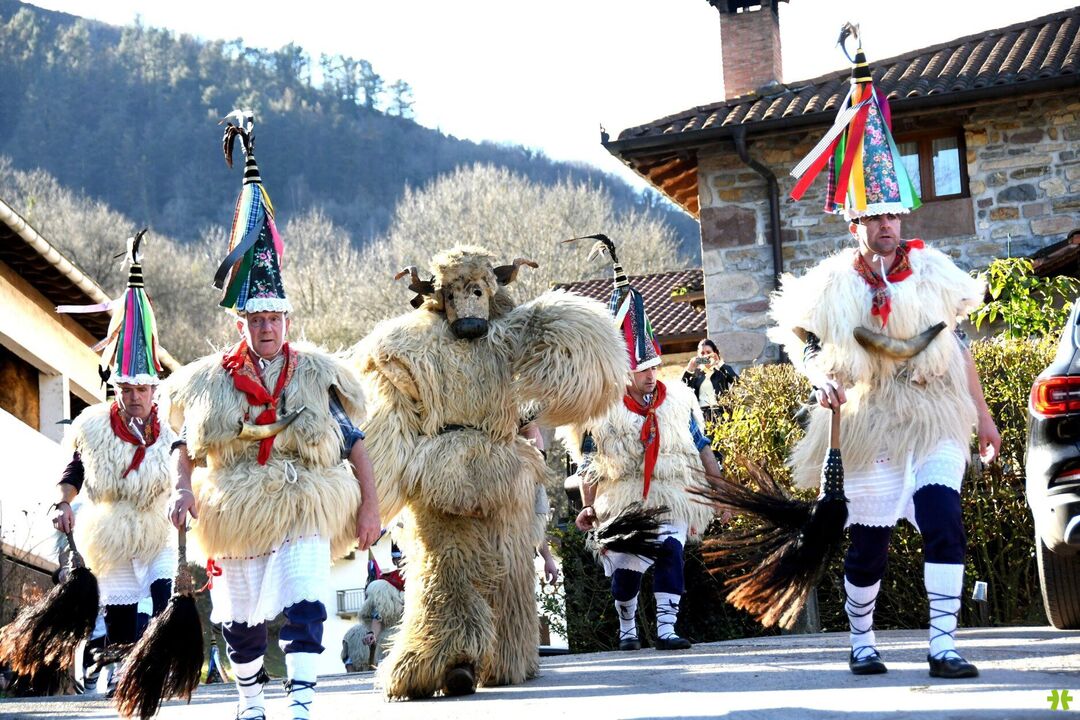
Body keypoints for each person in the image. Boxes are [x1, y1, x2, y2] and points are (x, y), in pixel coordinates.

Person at [775, 32, 1001, 680]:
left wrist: (984, 416)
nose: (887, 226)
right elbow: (800, 337)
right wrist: (817, 375)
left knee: (944, 519)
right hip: (869, 417)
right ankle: (862, 641)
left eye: (894, 214)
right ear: (855, 223)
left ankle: (943, 646)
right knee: (870, 543)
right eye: (875, 217)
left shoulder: (933, 271)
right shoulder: (831, 284)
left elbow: (957, 348)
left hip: (935, 412)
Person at [167, 112, 380, 720]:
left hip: (302, 498)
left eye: (274, 319)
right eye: (256, 320)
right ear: (243, 323)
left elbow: (353, 440)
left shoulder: (314, 372)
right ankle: (251, 702)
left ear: (287, 320)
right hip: (236, 504)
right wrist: (183, 489)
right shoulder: (210, 379)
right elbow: (185, 444)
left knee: (307, 599)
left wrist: (368, 505)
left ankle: (303, 704)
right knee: (242, 623)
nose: (266, 328)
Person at [558, 239, 719, 651]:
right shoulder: (603, 410)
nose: (650, 376)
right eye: (641, 369)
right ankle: (627, 628)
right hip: (624, 499)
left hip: (670, 494)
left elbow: (701, 446)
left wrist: (721, 491)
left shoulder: (679, 400)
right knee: (626, 575)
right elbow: (589, 464)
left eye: (653, 367)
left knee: (670, 553)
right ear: (625, 372)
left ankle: (666, 629)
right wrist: (589, 507)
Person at [51, 233, 176, 687]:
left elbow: (186, 469)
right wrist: (63, 502)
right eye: (127, 389)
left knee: (164, 598)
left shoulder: (170, 430)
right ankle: (125, 670)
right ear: (117, 389)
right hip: (112, 528)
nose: (135, 396)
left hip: (157, 527)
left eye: (142, 388)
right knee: (121, 615)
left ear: (154, 389)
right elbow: (74, 470)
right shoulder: (93, 427)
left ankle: (159, 663)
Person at [681, 338, 738, 424]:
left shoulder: (721, 371)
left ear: (714, 353)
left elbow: (737, 382)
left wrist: (719, 363)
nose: (705, 356)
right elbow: (682, 389)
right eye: (702, 353)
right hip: (701, 416)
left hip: (721, 414)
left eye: (708, 352)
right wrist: (689, 369)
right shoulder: (695, 374)